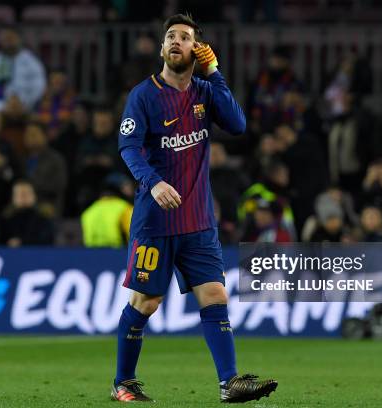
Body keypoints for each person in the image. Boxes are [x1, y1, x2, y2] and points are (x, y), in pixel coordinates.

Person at [112, 14, 277, 403]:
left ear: (196, 50)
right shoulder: (144, 95)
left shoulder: (204, 91)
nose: (176, 41)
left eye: (185, 37)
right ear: (162, 48)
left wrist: (216, 72)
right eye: (170, 36)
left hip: (199, 222)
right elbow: (128, 148)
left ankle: (229, 383)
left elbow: (237, 125)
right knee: (146, 302)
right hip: (155, 221)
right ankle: (123, 381)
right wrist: (154, 183)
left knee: (215, 295)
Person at [0, 27, 46, 113]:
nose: (8, 42)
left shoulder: (32, 62)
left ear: (19, 39)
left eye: (11, 38)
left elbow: (38, 87)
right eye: (4, 39)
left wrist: (24, 105)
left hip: (24, 110)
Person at [22, 122, 67, 217]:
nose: (30, 137)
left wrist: (31, 189)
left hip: (48, 204)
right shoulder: (21, 159)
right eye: (28, 134)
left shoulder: (55, 159)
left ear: (44, 136)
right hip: (23, 204)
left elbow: (59, 185)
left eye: (34, 134)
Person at [81, 172, 134, 248]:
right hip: (119, 255)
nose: (131, 190)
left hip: (92, 256)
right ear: (118, 188)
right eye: (126, 186)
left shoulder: (88, 211)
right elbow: (134, 238)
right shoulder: (125, 208)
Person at [0, 180, 54, 246]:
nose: (23, 197)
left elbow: (46, 240)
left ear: (34, 196)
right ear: (13, 197)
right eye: (20, 194)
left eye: (27, 193)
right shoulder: (5, 219)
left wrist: (22, 242)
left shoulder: (43, 217)